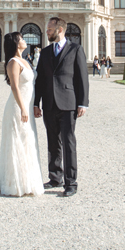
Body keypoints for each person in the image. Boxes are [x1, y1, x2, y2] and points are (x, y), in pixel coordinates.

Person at [34, 16, 89, 198]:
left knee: (68, 142)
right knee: (52, 142)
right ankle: (55, 177)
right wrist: (36, 103)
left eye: (49, 29)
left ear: (60, 30)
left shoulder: (76, 49)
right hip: (49, 103)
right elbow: (40, 80)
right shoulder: (45, 52)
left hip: (68, 103)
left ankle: (71, 182)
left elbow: (82, 78)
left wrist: (83, 103)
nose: (47, 32)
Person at [0, 32, 43, 197]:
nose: (24, 40)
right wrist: (22, 107)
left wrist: (33, 106)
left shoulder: (25, 60)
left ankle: (26, 181)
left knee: (27, 142)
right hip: (17, 107)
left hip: (27, 106)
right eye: (21, 38)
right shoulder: (13, 62)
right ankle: (14, 183)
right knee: (18, 142)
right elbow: (14, 87)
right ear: (15, 43)